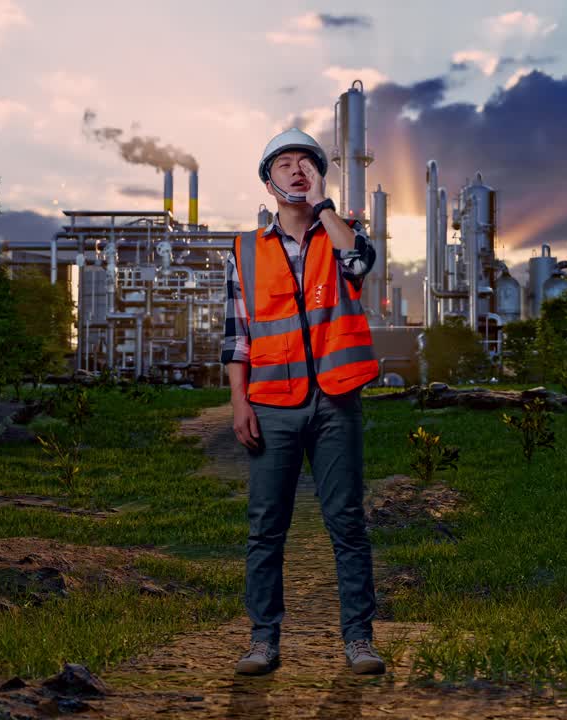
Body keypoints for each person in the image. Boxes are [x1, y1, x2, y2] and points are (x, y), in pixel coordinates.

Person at [222, 128, 384, 676]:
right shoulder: (244, 250)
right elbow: (237, 335)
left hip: (335, 402)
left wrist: (323, 207)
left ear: (318, 175)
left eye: (306, 163)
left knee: (346, 522)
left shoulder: (341, 235)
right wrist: (239, 402)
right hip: (272, 404)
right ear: (268, 181)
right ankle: (263, 640)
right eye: (284, 164)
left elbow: (362, 264)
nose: (296, 170)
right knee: (266, 527)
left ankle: (359, 639)